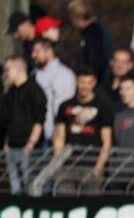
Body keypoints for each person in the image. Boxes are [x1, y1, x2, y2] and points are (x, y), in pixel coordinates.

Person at [52, 66, 114, 193]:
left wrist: (99, 167)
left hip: (90, 165)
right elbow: (60, 136)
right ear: (76, 81)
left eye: (88, 83)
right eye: (81, 82)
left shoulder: (102, 107)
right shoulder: (65, 106)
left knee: (90, 206)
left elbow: (107, 141)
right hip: (67, 165)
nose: (84, 86)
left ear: (94, 83)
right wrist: (57, 161)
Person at [0, 56, 46, 194]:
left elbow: (39, 120)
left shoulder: (34, 89)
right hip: (12, 147)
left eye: (8, 69)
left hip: (29, 148)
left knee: (30, 186)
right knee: (15, 188)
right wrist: (6, 143)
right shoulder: (11, 92)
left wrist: (30, 144)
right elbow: (8, 120)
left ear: (19, 68)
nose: (5, 73)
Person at [32, 37, 76, 142]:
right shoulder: (34, 73)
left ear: (49, 51)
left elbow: (62, 108)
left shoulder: (63, 74)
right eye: (33, 51)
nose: (33, 55)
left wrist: (56, 133)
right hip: (33, 136)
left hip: (52, 136)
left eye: (37, 51)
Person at [68, 0, 115, 84]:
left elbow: (96, 61)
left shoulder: (95, 32)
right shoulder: (89, 32)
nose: (73, 23)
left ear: (80, 18)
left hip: (97, 82)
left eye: (73, 18)